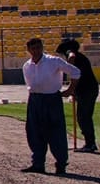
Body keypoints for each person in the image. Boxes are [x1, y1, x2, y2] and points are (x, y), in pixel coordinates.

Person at [20, 37, 77, 175]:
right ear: (29, 50)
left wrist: (70, 90)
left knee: (56, 132)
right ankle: (38, 163)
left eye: (38, 47)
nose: (36, 51)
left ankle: (61, 164)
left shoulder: (53, 61)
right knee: (34, 132)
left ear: (42, 47)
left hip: (51, 99)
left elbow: (75, 72)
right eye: (33, 48)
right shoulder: (27, 66)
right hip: (34, 99)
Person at [62, 38, 99, 152]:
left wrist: (69, 67)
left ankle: (90, 144)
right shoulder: (81, 58)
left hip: (87, 90)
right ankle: (89, 142)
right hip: (85, 89)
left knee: (84, 117)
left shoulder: (72, 53)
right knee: (82, 116)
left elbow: (71, 57)